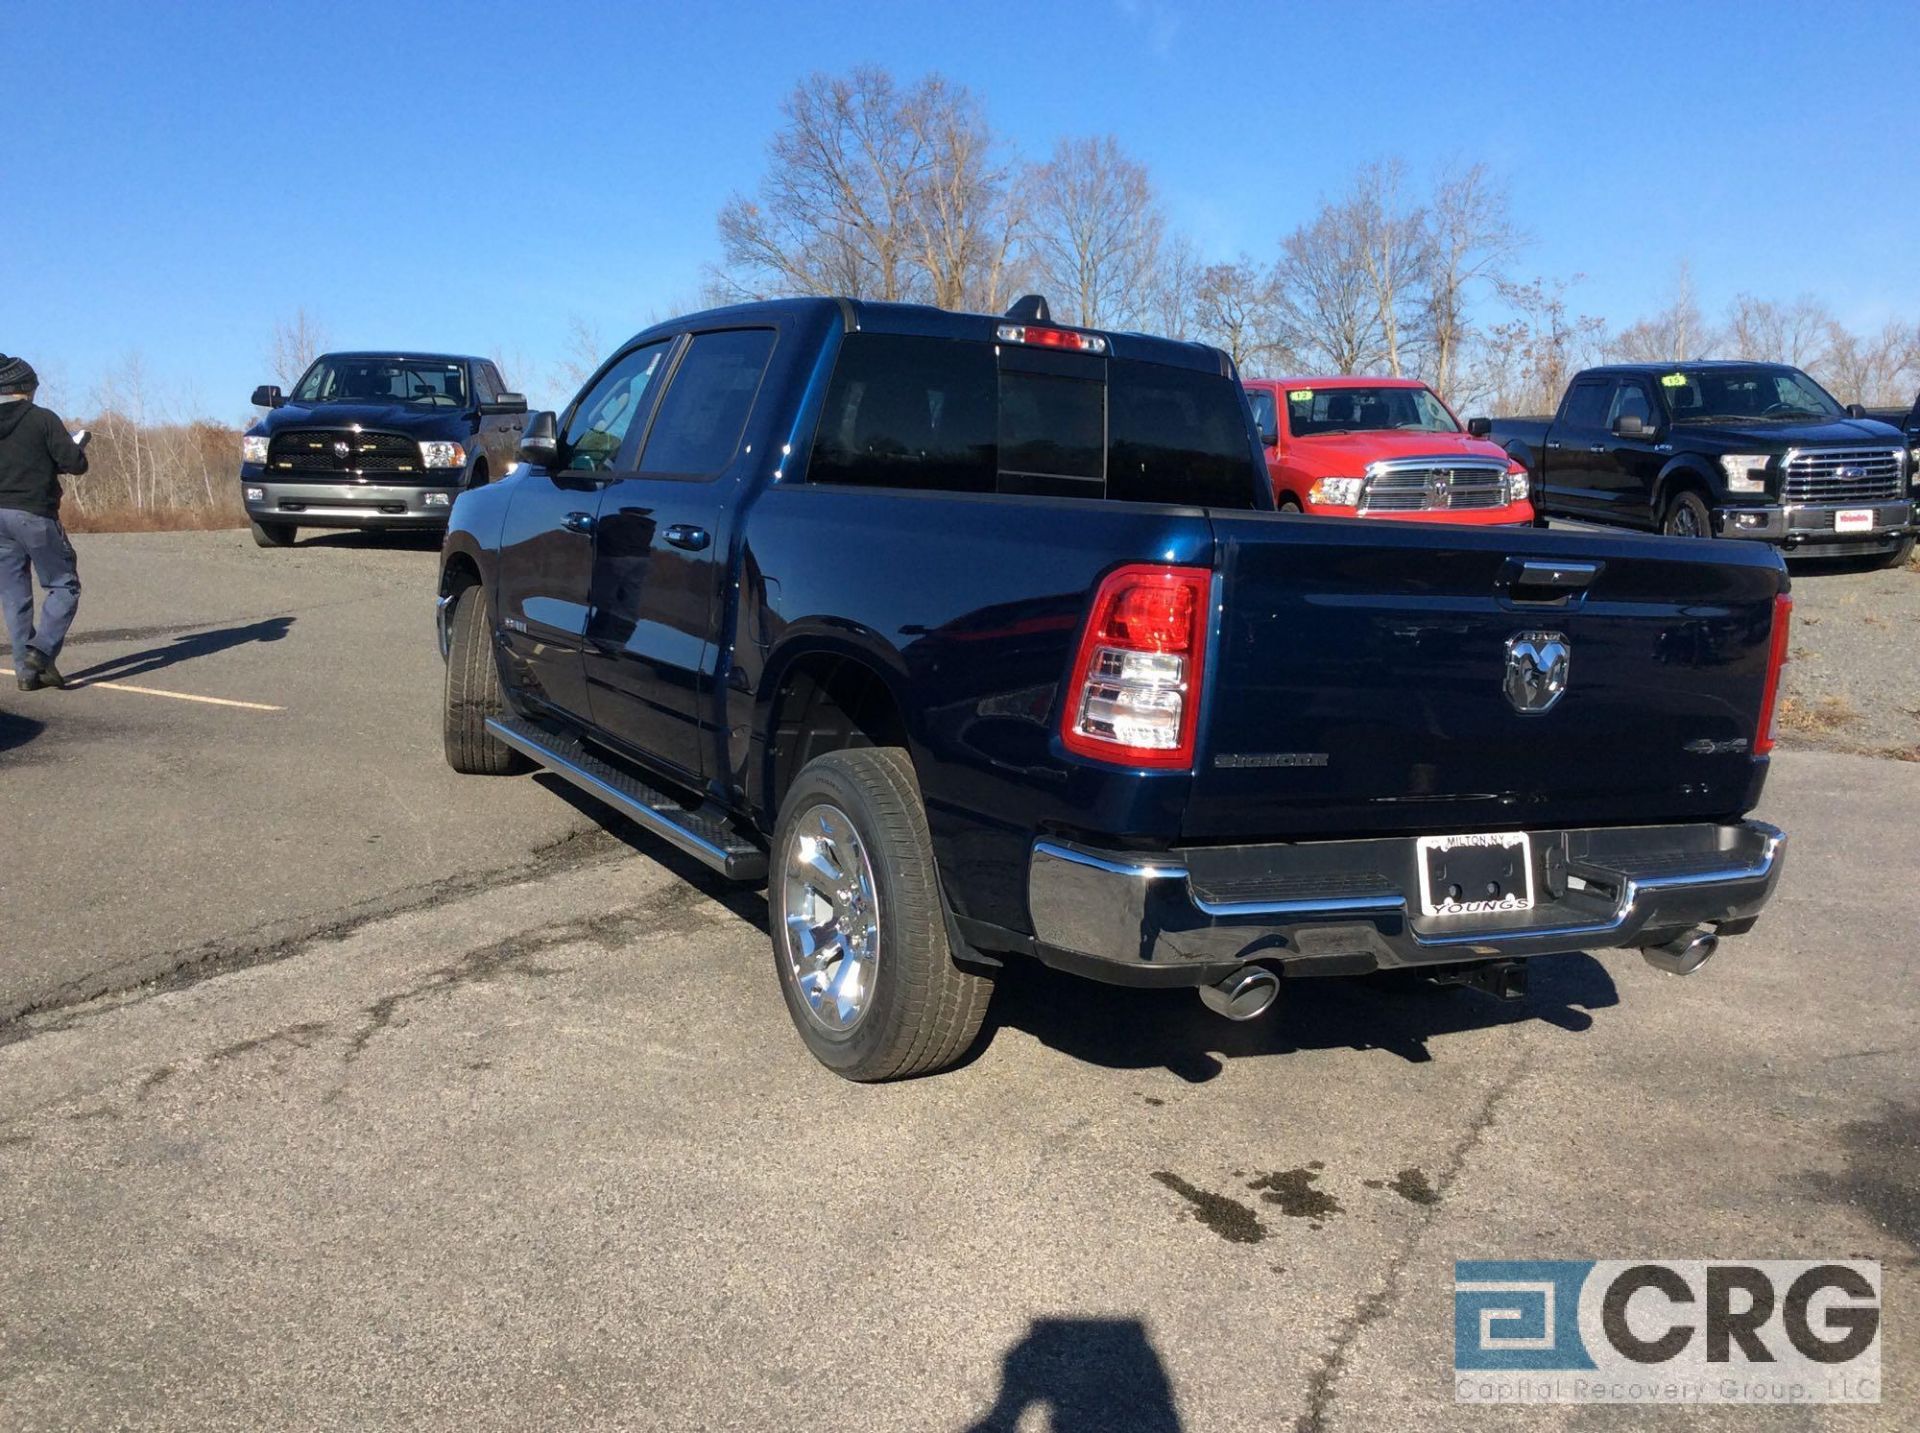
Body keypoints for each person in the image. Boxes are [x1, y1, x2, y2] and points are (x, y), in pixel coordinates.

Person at [0, 354, 88, 691]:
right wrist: (75, 448)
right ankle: (41, 650)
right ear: (24, 388)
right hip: (34, 514)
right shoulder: (42, 420)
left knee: (14, 594)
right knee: (64, 584)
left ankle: (26, 671)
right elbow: (75, 463)